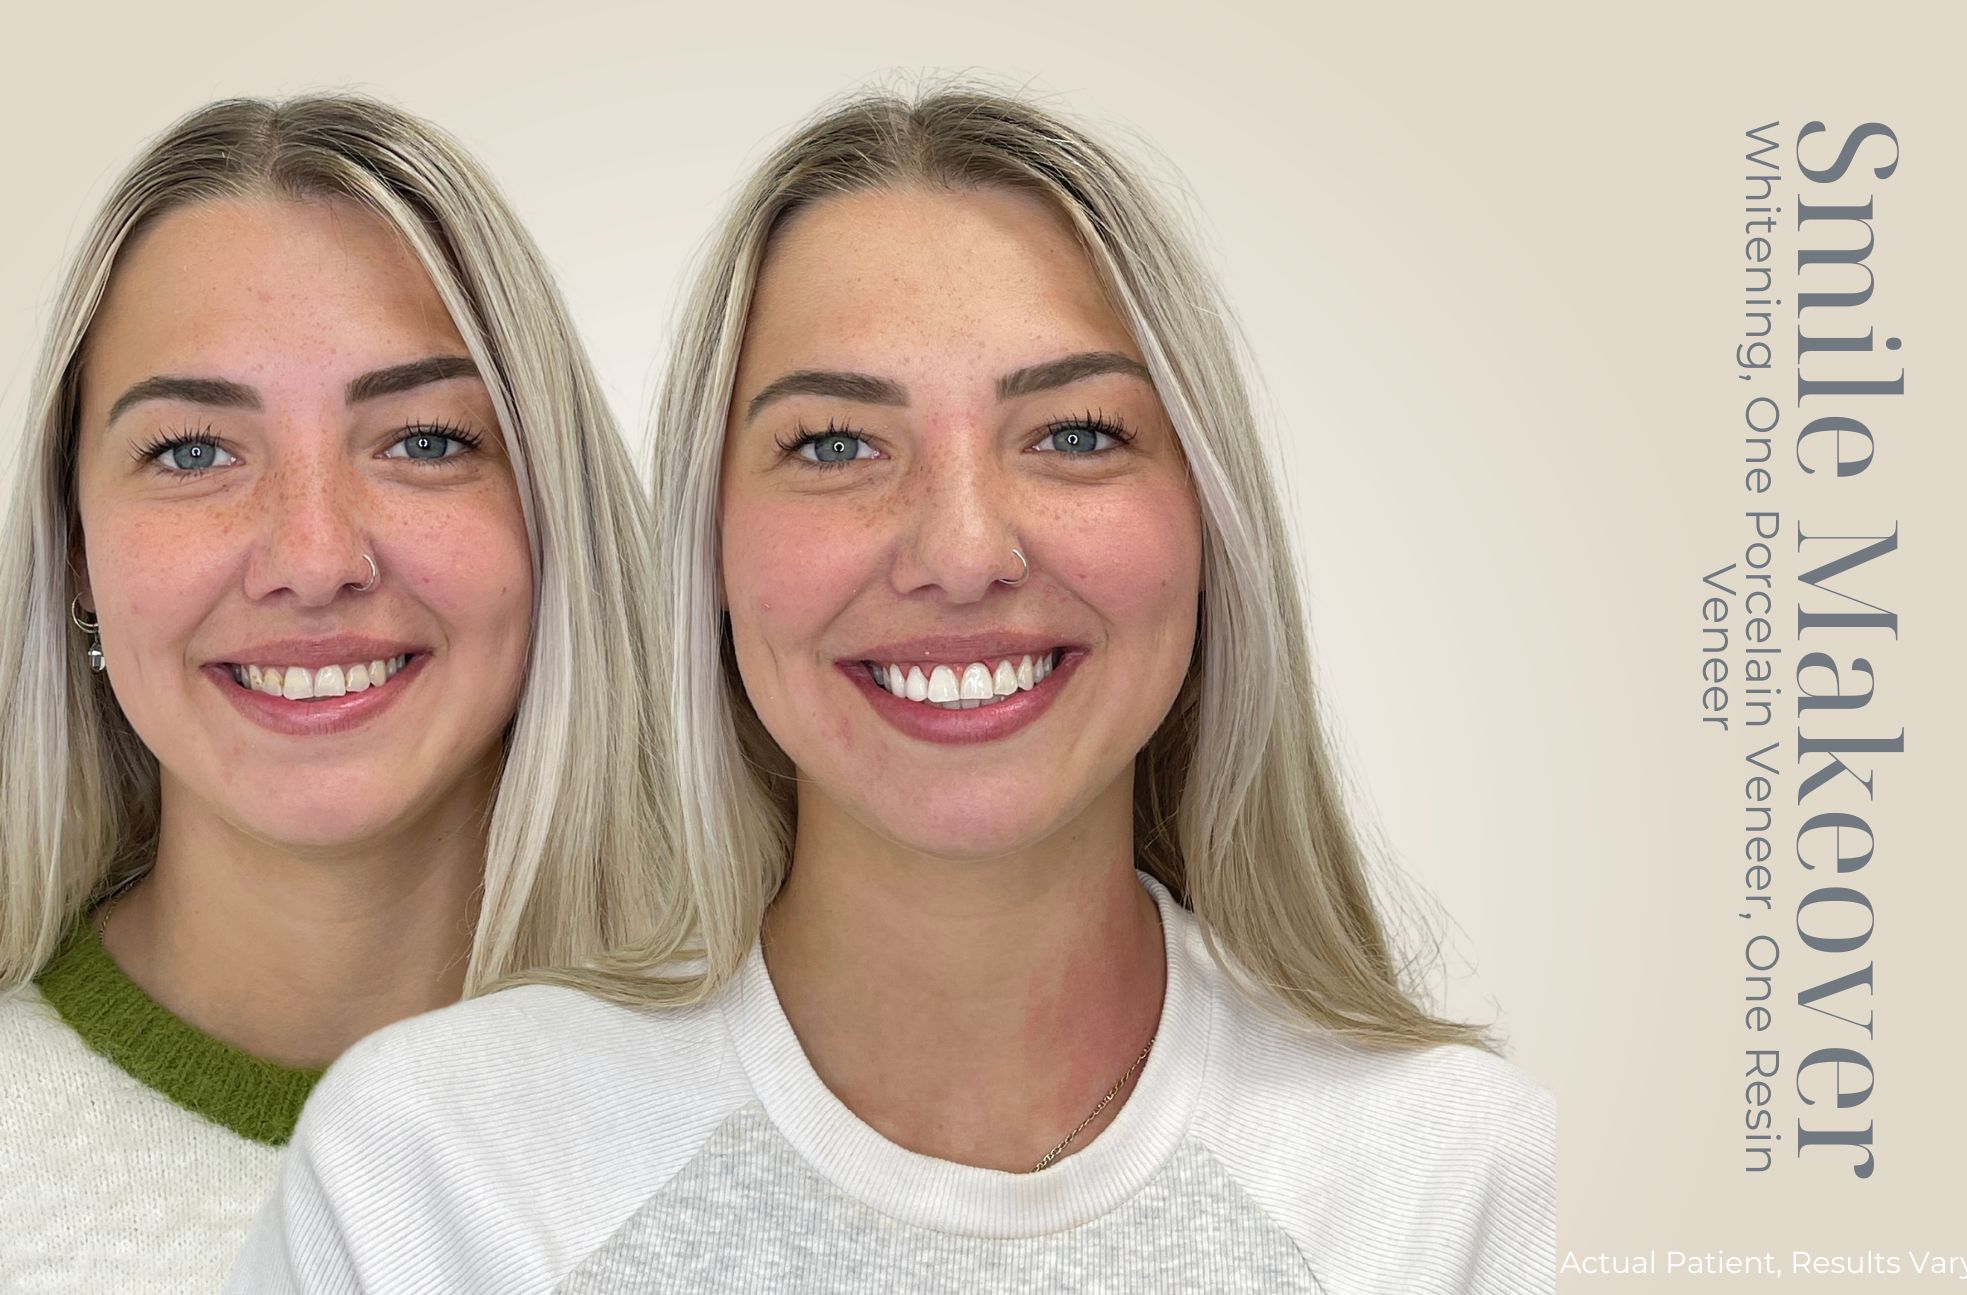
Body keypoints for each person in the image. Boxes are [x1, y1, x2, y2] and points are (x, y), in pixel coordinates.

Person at [232, 85, 1554, 1293]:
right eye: (838, 444)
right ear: (710, 554)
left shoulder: (1459, 1185)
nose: (965, 550)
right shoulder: (434, 1177)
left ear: (1207, 525)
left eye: (1078, 433)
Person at [0, 94, 668, 1291]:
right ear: (77, 548)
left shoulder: (810, 1103)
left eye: (421, 438)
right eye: (193, 450)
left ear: (549, 516)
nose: (313, 558)